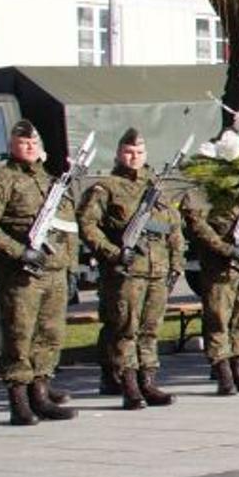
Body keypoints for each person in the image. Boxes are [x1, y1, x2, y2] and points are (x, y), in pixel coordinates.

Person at [0, 120, 81, 424]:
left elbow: (69, 228)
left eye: (34, 142)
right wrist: (18, 251)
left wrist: (70, 266)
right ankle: (19, 400)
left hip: (54, 272)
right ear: (12, 146)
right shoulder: (1, 181)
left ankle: (41, 393)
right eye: (23, 142)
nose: (29, 147)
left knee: (50, 335)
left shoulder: (50, 182)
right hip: (22, 275)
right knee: (20, 336)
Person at [77, 128, 184, 409]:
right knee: (125, 329)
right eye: (128, 152)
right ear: (118, 154)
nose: (133, 157)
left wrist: (176, 264)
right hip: (126, 272)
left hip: (157, 271)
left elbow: (173, 228)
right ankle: (129, 385)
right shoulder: (106, 188)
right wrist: (112, 253)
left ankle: (148, 380)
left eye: (138, 152)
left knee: (150, 329)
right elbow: (87, 225)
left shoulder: (157, 187)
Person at [180, 188, 239, 396]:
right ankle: (223, 374)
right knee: (218, 319)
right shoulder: (201, 191)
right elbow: (196, 224)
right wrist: (224, 248)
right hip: (220, 266)